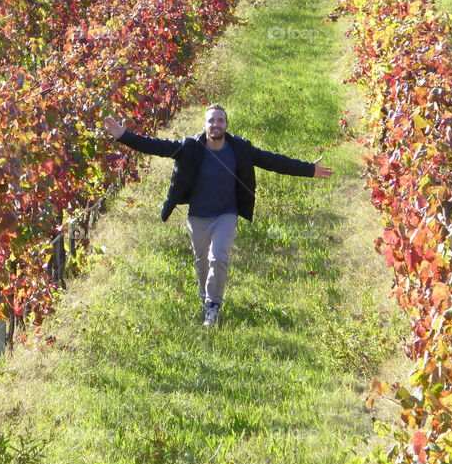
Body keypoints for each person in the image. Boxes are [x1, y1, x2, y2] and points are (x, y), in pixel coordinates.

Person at [103, 104, 334, 326]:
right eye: (211, 120)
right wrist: (123, 135)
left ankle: (213, 306)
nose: (216, 124)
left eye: (220, 120)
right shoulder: (190, 147)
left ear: (226, 125)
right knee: (202, 262)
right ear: (204, 125)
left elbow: (272, 161)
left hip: (226, 215)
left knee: (218, 257)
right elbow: (156, 146)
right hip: (198, 217)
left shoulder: (240, 149)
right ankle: (205, 296)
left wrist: (308, 169)